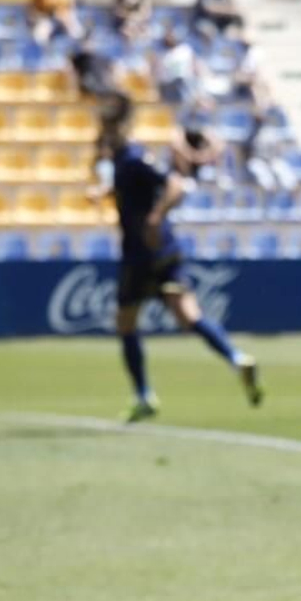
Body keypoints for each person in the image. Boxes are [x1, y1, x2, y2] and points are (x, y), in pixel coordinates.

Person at [97, 98, 262, 423]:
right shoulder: (122, 161)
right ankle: (235, 357)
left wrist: (156, 217)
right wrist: (105, 193)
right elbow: (135, 192)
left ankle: (144, 395)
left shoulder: (130, 158)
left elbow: (174, 186)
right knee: (189, 316)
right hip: (165, 252)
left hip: (141, 254)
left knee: (125, 322)